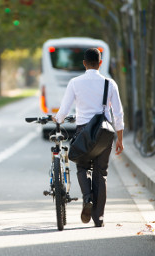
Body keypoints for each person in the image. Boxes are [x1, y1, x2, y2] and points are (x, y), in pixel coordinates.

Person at [53, 48, 124, 227]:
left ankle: (87, 198)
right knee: (101, 173)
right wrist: (120, 139)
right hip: (104, 134)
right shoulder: (110, 83)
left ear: (84, 63)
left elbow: (63, 111)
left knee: (82, 167)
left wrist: (58, 119)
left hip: (83, 132)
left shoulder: (75, 83)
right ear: (100, 63)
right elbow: (118, 114)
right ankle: (98, 218)